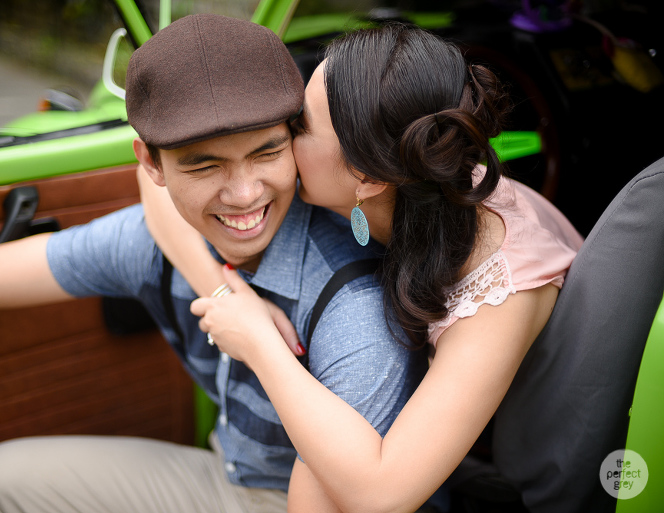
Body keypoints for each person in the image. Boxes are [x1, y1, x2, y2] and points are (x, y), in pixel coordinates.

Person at [0, 13, 426, 513]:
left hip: (304, 498)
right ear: (150, 163)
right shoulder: (156, 242)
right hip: (231, 472)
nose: (243, 195)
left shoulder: (355, 306)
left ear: (294, 141)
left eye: (266, 153)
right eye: (205, 165)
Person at [141, 23, 585, 513]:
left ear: (368, 176)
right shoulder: (425, 178)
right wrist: (229, 295)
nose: (283, 133)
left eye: (301, 125)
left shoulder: (500, 294)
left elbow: (382, 493)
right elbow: (152, 183)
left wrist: (261, 345)